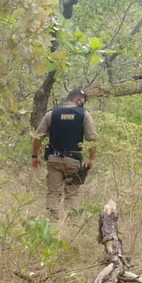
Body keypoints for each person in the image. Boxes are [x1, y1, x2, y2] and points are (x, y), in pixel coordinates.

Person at [31, 88, 97, 220]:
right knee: (72, 194)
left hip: (54, 159)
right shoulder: (84, 114)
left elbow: (38, 137)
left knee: (53, 192)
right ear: (78, 100)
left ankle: (52, 222)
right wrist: (91, 159)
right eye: (83, 101)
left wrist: (34, 156)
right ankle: (70, 222)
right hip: (73, 161)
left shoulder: (52, 114)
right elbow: (92, 139)